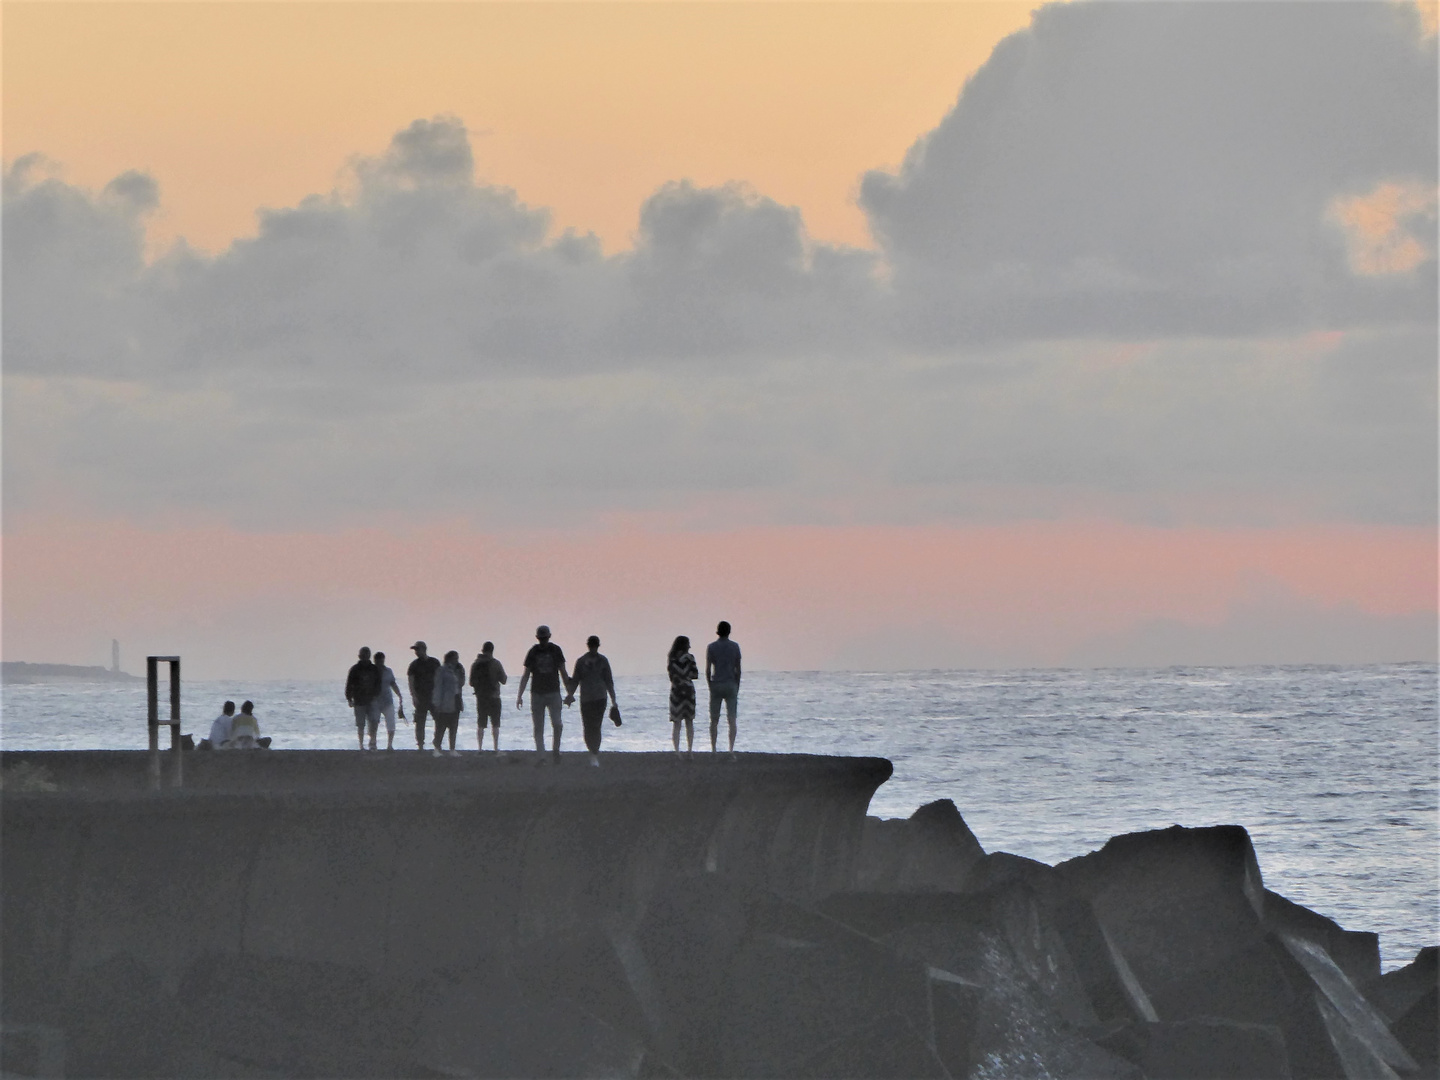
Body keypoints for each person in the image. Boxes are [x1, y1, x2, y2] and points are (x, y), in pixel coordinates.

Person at [517, 625, 570, 761]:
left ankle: (556, 750)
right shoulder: (533, 652)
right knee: (538, 726)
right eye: (541, 638)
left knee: (557, 724)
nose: (543, 641)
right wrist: (520, 695)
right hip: (537, 693)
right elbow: (526, 674)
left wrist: (569, 692)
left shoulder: (556, 650)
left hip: (553, 692)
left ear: (549, 637)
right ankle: (541, 755)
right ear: (537, 638)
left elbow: (563, 672)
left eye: (545, 638)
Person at [565, 635, 618, 767]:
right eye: (592, 646)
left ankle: (594, 753)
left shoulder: (603, 661)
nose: (593, 648)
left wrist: (613, 700)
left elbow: (608, 681)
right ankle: (592, 751)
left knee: (596, 726)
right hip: (586, 699)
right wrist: (570, 695)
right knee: (588, 727)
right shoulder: (581, 661)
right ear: (589, 646)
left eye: (594, 646)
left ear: (597, 646)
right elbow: (576, 680)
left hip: (600, 698)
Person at [706, 620, 742, 758]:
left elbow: (708, 669)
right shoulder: (735, 646)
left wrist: (710, 684)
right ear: (729, 632)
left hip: (717, 682)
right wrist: (737, 685)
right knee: (732, 719)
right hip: (730, 683)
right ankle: (731, 749)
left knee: (714, 719)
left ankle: (714, 749)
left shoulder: (711, 647)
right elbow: (738, 669)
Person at [469, 642, 507, 751]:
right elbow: (503, 680)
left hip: (481, 697)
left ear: (482, 650)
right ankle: (495, 748)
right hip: (494, 696)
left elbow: (471, 682)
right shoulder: (496, 663)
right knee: (495, 724)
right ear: (492, 650)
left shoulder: (475, 664)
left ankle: (480, 748)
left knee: (481, 723)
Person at [345, 647, 382, 750]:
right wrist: (349, 698)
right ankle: (361, 744)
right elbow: (349, 684)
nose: (364, 657)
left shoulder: (374, 669)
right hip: (359, 700)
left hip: (371, 699)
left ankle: (372, 742)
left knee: (374, 721)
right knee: (361, 724)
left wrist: (376, 695)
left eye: (366, 655)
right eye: (362, 655)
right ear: (359, 656)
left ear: (369, 656)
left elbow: (378, 683)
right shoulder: (355, 669)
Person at [667, 637, 698, 759]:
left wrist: (679, 676)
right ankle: (690, 751)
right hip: (689, 691)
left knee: (677, 722)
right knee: (689, 721)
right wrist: (686, 674)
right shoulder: (690, 658)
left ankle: (677, 751)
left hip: (676, 690)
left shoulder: (671, 659)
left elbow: (671, 676)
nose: (690, 647)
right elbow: (695, 674)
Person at [407, 641, 441, 750]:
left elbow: (439, 679)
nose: (416, 652)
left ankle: (437, 742)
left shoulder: (434, 662)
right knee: (420, 722)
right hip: (421, 697)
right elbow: (411, 681)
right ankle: (420, 744)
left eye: (418, 649)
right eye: (415, 650)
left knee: (439, 720)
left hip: (433, 696)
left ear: (424, 649)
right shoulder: (414, 665)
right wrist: (414, 696)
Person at [432, 650, 465, 755]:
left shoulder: (457, 670)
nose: (457, 661)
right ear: (450, 659)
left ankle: (452, 748)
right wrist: (437, 702)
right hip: (445, 701)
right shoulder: (442, 670)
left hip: (456, 699)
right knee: (441, 725)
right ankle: (437, 748)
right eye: (455, 658)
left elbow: (461, 684)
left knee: (453, 725)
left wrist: (461, 672)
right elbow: (438, 687)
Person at [373, 651, 406, 751]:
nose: (380, 663)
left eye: (382, 661)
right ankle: (373, 743)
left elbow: (393, 683)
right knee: (374, 722)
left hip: (388, 701)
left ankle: (390, 744)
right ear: (375, 661)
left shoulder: (388, 671)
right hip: (375, 701)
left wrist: (399, 695)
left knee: (391, 723)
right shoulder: (371, 671)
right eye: (378, 661)